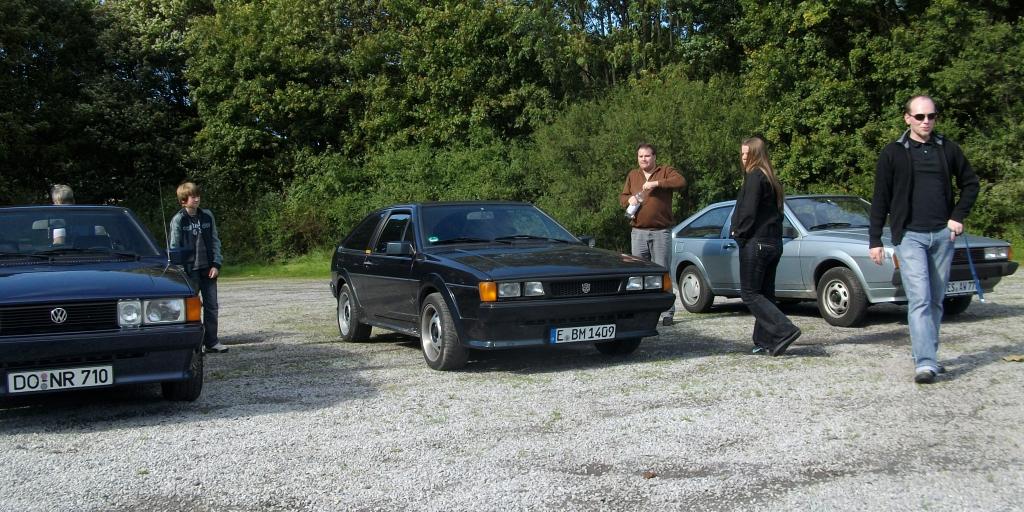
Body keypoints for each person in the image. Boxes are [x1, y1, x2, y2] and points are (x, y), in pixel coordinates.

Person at [869, 95, 979, 384]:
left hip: (943, 235)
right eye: (920, 116)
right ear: (907, 118)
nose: (926, 121)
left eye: (931, 116)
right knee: (920, 298)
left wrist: (957, 216)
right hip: (909, 236)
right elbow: (880, 197)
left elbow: (971, 183)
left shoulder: (947, 149)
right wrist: (875, 240)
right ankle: (926, 363)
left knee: (936, 300)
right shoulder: (893, 153)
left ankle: (927, 355)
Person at [730, 136, 801, 356]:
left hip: (757, 242)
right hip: (773, 242)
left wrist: (738, 232)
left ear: (756, 155)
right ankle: (765, 340)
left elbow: (748, 211)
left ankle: (784, 330)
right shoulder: (771, 179)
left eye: (747, 154)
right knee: (765, 293)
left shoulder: (755, 176)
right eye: (742, 153)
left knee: (750, 293)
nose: (743, 158)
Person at [619, 143, 686, 326]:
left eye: (647, 156)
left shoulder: (665, 171)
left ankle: (667, 313)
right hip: (638, 232)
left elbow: (680, 181)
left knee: (662, 271)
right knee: (638, 273)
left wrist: (656, 183)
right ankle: (641, 311)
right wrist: (629, 199)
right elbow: (622, 197)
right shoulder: (633, 175)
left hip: (660, 232)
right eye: (640, 156)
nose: (644, 159)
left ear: (654, 157)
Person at [170, 181, 228, 354]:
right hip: (190, 272)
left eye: (197, 196)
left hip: (208, 269)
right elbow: (174, 247)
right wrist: (180, 271)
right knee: (192, 309)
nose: (196, 199)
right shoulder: (179, 219)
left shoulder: (207, 216)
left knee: (212, 307)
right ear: (183, 201)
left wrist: (216, 264)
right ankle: (196, 343)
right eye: (192, 197)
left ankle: (212, 341)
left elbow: (216, 241)